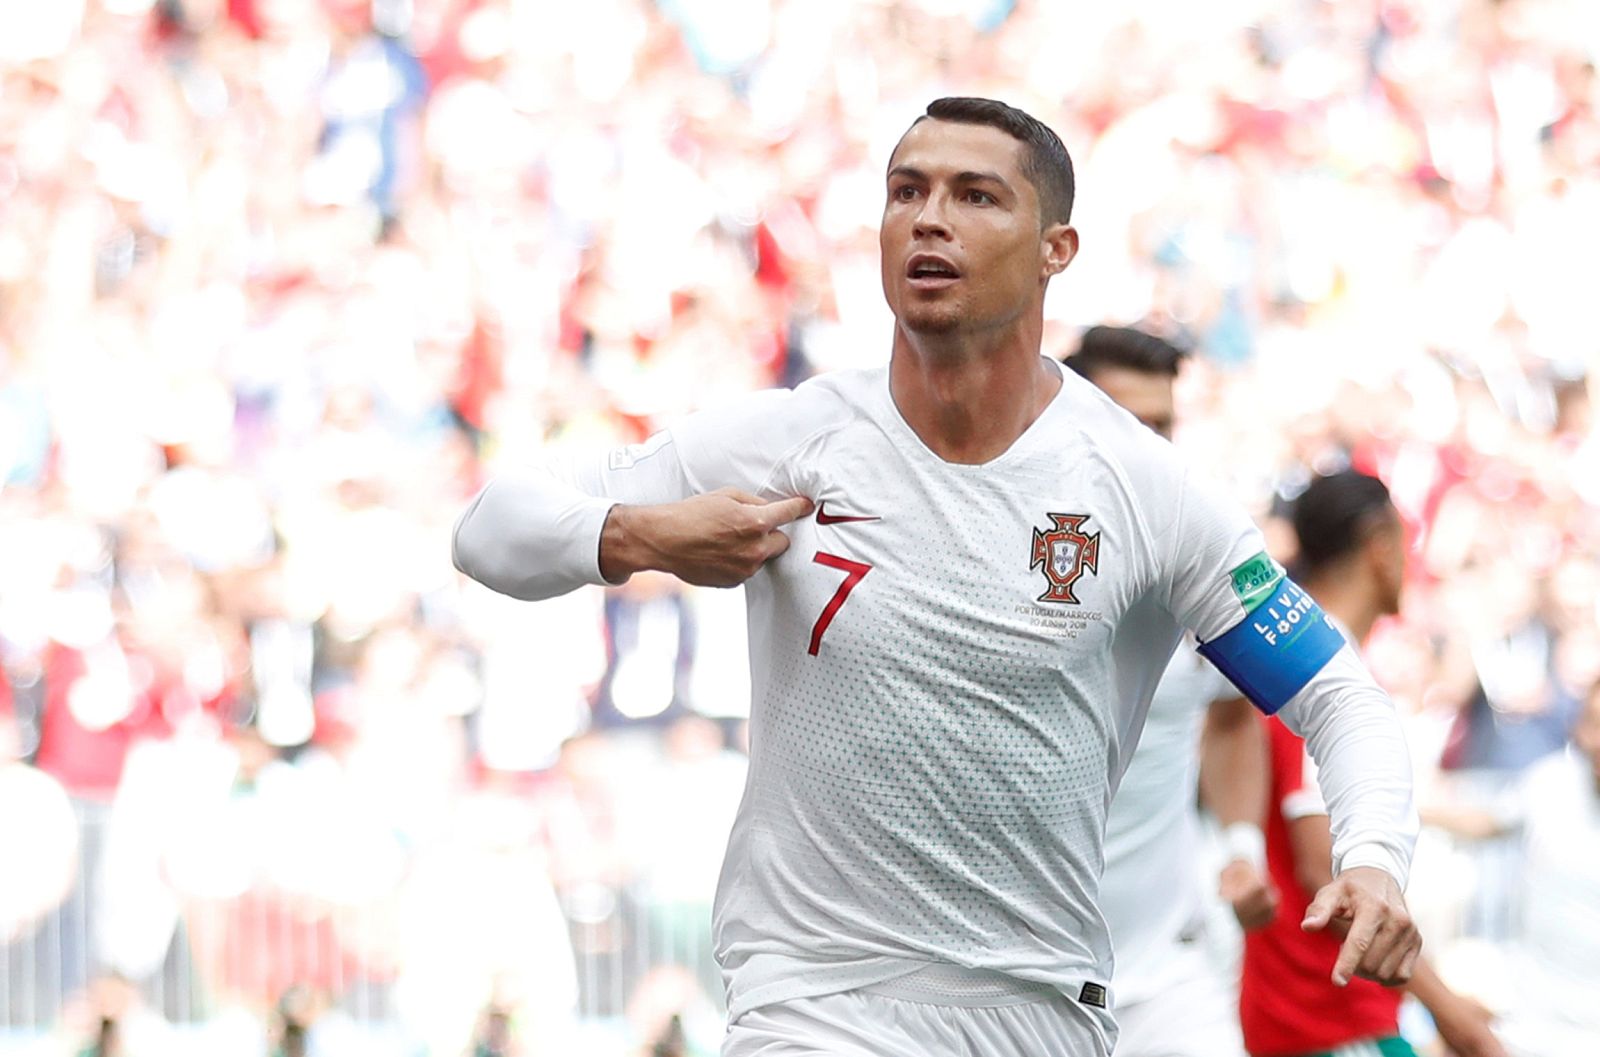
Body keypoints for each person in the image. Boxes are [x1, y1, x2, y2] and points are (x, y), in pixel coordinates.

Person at [453, 97, 1421, 1057]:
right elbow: (488, 528)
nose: (928, 218)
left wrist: (1373, 859)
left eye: (975, 196)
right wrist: (639, 535)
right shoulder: (792, 439)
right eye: (905, 191)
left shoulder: (1141, 488)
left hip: (1036, 1007)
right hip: (813, 1002)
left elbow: (1338, 695)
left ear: (1056, 249)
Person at [1239, 471, 1505, 1057]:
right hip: (1327, 1018)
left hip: (1305, 1013)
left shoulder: (1297, 659)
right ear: (1380, 548)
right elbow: (1321, 868)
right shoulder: (1320, 676)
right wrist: (1456, 1018)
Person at [1069, 326, 1275, 1057]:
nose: (1149, 445)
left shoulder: (1200, 545)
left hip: (1167, 979)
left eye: (1162, 424)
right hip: (1020, 982)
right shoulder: (1003, 545)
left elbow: (1229, 717)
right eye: (1127, 421)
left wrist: (1242, 845)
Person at [1422, 679, 1600, 1057]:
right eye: (1592, 722)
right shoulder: (1552, 781)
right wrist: (1406, 807)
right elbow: (1487, 821)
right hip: (1530, 1022)